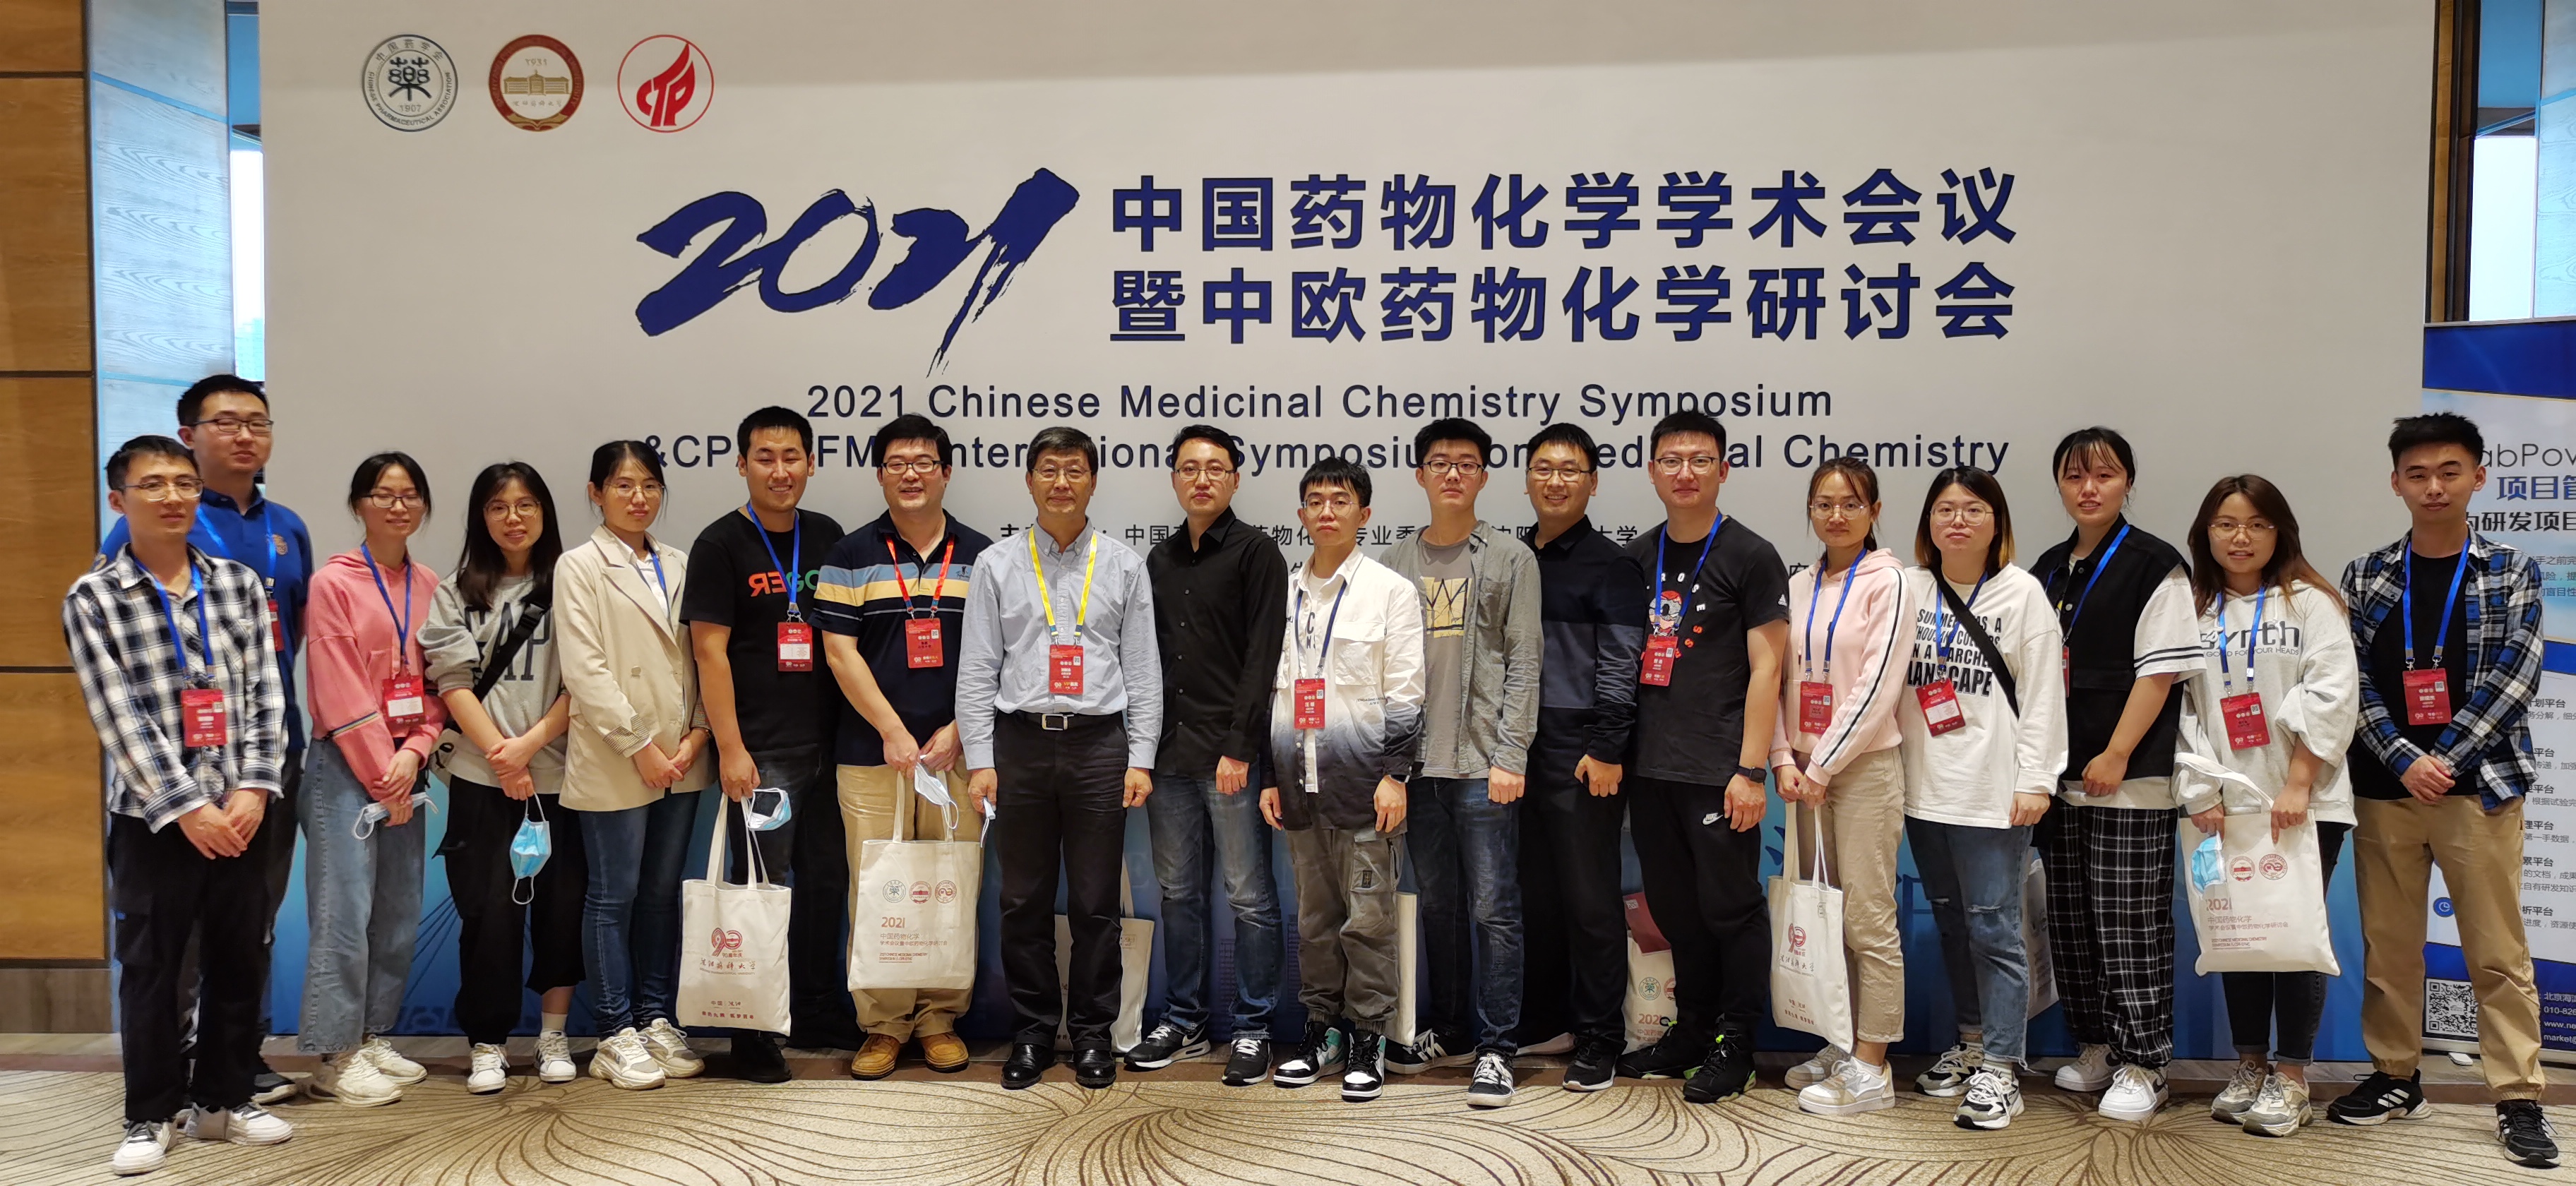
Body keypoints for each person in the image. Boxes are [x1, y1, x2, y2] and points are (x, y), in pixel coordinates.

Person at [2327, 413, 2558, 1168]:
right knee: (2390, 948)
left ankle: (2517, 1095)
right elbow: (2352, 681)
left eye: (2450, 471)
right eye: (2418, 474)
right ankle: (2397, 1076)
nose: (2434, 486)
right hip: (2386, 789)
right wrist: (2403, 758)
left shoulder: (2512, 570)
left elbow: (2516, 679)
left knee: (2497, 952)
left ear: (2478, 477)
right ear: (2396, 482)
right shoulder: (2366, 575)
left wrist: (2444, 759)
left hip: (2478, 789)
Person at [70, 436, 292, 1175]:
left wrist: (254, 788)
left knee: (239, 957)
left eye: (184, 484)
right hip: (153, 819)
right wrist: (190, 807)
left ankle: (225, 1099)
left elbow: (266, 693)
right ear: (119, 499)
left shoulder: (238, 585)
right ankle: (150, 1111)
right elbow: (119, 717)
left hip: (243, 809)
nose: (173, 497)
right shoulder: (93, 598)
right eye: (153, 484)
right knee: (154, 969)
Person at [101, 376, 312, 1107]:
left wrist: (259, 770)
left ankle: (237, 1063)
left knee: (249, 918)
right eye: (226, 422)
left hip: (264, 754)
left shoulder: (287, 527)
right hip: (172, 770)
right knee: (171, 930)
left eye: (258, 421)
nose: (245, 435)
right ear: (189, 434)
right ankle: (171, 1066)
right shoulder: (146, 528)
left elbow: (285, 644)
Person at [957, 426, 1163, 1091]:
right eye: (1048, 470)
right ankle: (1033, 1032)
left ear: (1094, 481)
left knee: (1097, 901)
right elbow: (977, 669)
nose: (1062, 483)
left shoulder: (1124, 565)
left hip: (1099, 746)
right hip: (1018, 743)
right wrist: (981, 758)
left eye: (1075, 470)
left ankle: (1095, 1035)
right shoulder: (997, 565)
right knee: (1022, 899)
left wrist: (1141, 756)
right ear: (1029, 481)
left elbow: (1143, 671)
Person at [2171, 474, 2359, 1139]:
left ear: (2280, 531)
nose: (2241, 537)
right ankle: (2250, 1064)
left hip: (2302, 804)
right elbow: (2181, 707)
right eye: (2226, 524)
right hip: (2224, 805)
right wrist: (2203, 791)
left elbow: (2333, 694)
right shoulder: (2192, 608)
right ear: (2206, 533)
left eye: (2256, 524)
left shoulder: (2311, 604)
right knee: (2238, 934)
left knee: (2294, 937)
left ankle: (2293, 1076)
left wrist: (2300, 783)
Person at [1613, 411, 1789, 1105]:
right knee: (1676, 912)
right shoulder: (1638, 556)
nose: (1685, 472)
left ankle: (1736, 1043)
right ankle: (1691, 1031)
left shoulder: (1751, 554)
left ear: (1724, 469)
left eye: (1700, 459)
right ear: (1652, 470)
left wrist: (1749, 771)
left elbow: (1768, 668)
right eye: (1671, 460)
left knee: (1731, 909)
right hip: (1651, 768)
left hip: (1719, 771)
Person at [811, 415, 994, 1079]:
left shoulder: (984, 556)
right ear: (879, 475)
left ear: (947, 472)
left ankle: (940, 1018)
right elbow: (839, 652)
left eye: (923, 462)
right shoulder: (850, 554)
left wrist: (961, 729)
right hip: (871, 754)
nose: (911, 474)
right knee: (878, 889)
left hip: (960, 755)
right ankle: (884, 1024)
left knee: (951, 886)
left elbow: (999, 655)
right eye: (896, 463)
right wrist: (892, 730)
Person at [2027, 426, 2199, 1120]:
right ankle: (2096, 1044)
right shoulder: (2048, 567)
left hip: (2130, 776)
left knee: (2130, 922)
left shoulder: (2156, 564)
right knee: (2071, 920)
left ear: (2127, 481)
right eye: (2075, 476)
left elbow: (2160, 674)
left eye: (2103, 475)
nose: (2089, 488)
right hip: (2062, 777)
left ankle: (2145, 1061)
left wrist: (2119, 752)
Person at [681, 406, 854, 1079]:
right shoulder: (720, 544)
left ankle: (815, 1007)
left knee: (824, 883)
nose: (780, 471)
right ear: (742, 464)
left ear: (812, 463)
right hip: (763, 755)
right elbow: (709, 653)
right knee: (761, 885)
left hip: (829, 748)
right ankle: (750, 1029)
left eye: (792, 457)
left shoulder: (827, 535)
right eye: (765, 457)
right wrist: (730, 748)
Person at [1895, 467, 2064, 1131]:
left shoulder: (2023, 595)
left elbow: (2045, 696)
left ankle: (2002, 1066)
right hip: (1922, 791)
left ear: (1997, 523)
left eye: (1973, 510)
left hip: (1993, 794)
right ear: (1928, 524)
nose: (1958, 521)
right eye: (1945, 510)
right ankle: (1970, 1044)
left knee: (1995, 929)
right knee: (1952, 924)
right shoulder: (1908, 589)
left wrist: (2036, 780)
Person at [1380, 418, 1540, 1106]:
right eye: (1440, 462)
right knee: (1439, 906)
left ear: (1483, 476)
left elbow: (1525, 663)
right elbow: (1381, 670)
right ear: (1419, 474)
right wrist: (1389, 766)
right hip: (1418, 770)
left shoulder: (1510, 558)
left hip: (1483, 766)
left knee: (1494, 909)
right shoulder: (1393, 562)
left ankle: (1498, 1046)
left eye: (1466, 463)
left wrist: (1512, 755)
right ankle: (1449, 1030)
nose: (1452, 473)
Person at [1259, 457, 1426, 1103]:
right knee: (1315, 922)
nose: (1327, 511)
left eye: (1340, 500)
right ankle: (1321, 1029)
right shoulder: (1283, 593)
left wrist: (1395, 776)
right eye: (1316, 501)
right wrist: (1271, 776)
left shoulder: (1390, 591)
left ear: (1365, 514)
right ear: (1301, 514)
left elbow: (1406, 693)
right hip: (1298, 785)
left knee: (1369, 922)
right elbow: (1270, 692)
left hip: (1364, 786)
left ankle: (1369, 1037)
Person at [555, 441, 714, 1091]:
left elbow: (703, 655)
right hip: (618, 756)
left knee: (659, 895)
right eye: (623, 485)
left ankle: (654, 1018)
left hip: (681, 756)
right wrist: (640, 746)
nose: (638, 497)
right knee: (612, 895)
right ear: (596, 493)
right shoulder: (579, 565)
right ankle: (614, 1031)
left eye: (649, 485)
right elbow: (585, 670)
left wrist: (698, 734)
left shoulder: (679, 562)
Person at [1135, 424, 1290, 1084]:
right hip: (1168, 755)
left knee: (1249, 895)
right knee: (1178, 895)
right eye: (1189, 468)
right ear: (1174, 477)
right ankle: (1185, 1021)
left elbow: (1264, 659)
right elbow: (1144, 661)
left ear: (1235, 479)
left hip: (1231, 757)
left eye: (1215, 468)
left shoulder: (1258, 553)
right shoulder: (1158, 560)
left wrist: (1239, 747)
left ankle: (1254, 1026)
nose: (1202, 479)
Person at [421, 462, 582, 1095]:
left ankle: (553, 1035)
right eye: (498, 506)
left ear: (545, 512)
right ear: (480, 518)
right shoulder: (455, 592)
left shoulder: (573, 584)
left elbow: (585, 682)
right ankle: (487, 1042)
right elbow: (453, 683)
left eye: (526, 504)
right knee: (488, 916)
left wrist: (531, 747)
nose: (513, 518)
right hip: (481, 780)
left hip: (563, 778)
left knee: (562, 910)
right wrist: (502, 757)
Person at [299, 452, 446, 1107]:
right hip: (346, 766)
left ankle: (371, 1034)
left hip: (407, 763)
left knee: (397, 910)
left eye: (410, 494)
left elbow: (440, 680)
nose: (397, 506)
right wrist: (385, 773)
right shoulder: (333, 583)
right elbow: (336, 686)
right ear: (359, 503)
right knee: (344, 912)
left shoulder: (431, 583)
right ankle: (334, 1053)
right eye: (384, 494)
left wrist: (415, 751)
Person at [1770, 457, 1916, 1116]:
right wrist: (1783, 757)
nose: (1836, 515)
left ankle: (1873, 1067)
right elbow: (1776, 677)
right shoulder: (1798, 584)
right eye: (1824, 504)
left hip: (1859, 771)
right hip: (1803, 772)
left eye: (1851, 503)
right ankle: (1841, 1042)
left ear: (1874, 511)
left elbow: (1879, 684)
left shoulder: (1890, 582)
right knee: (1824, 917)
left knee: (1867, 919)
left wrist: (1822, 765)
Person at [1512, 423, 1642, 1093]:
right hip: (1517, 750)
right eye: (1543, 468)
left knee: (1591, 901)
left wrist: (1606, 747)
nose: (1555, 481)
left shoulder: (1610, 566)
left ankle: (1599, 1036)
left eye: (1570, 470)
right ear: (1526, 479)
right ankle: (1547, 1021)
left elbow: (1622, 663)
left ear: (1592, 483)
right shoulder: (1512, 557)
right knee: (1535, 895)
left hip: (1581, 751)